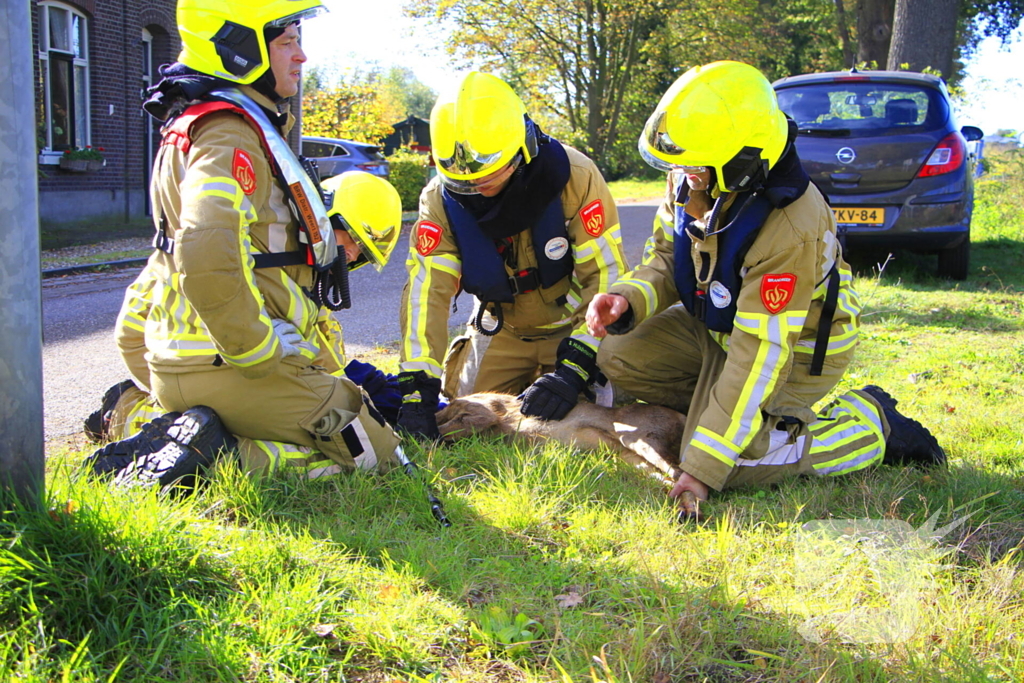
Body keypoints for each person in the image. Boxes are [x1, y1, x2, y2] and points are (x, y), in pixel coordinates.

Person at [586, 61, 946, 514]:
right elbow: (665, 256)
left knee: (727, 465)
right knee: (618, 355)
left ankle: (870, 424)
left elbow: (761, 354)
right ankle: (730, 415)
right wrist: (628, 297)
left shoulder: (791, 225)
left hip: (798, 350)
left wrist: (702, 467)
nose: (682, 174)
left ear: (740, 163)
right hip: (721, 331)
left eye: (693, 166)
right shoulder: (694, 172)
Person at [86, 0, 405, 486]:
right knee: (373, 452)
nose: (301, 56)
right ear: (240, 50)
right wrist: (258, 349)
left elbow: (167, 264)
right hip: (226, 367)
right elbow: (204, 247)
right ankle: (214, 459)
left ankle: (154, 426)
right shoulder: (229, 133)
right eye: (287, 41)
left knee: (350, 413)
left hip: (187, 361)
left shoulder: (205, 124)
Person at [396, 71, 629, 440]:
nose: (477, 187)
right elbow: (428, 292)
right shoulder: (440, 199)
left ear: (523, 150)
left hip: (569, 326)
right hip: (502, 328)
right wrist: (415, 387)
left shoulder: (576, 176)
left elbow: (605, 276)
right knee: (464, 415)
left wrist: (576, 364)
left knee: (592, 419)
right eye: (464, 182)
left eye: (490, 175)